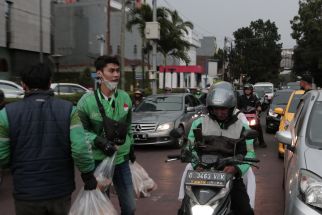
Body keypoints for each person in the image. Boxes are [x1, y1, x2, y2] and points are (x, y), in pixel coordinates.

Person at [0, 64, 97, 215]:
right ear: (50, 82)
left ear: (23, 84)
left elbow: (2, 157)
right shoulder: (69, 110)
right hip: (59, 191)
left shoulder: (6, 114)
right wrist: (87, 174)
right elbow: (80, 149)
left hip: (25, 192)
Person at [179, 87, 255, 215]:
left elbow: (249, 153)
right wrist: (196, 164)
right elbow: (189, 147)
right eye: (217, 108)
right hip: (202, 176)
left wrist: (236, 168)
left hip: (230, 176)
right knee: (184, 210)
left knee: (246, 211)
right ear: (211, 108)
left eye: (224, 109)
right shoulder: (199, 123)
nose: (220, 112)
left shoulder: (242, 127)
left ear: (231, 108)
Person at [77, 55, 136, 215]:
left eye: (118, 71)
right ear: (100, 74)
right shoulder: (86, 101)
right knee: (103, 208)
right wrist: (98, 141)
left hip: (121, 159)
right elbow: (79, 131)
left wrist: (130, 147)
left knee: (130, 206)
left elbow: (128, 125)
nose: (116, 74)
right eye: (111, 71)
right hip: (98, 161)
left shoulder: (125, 98)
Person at [238, 84, 267, 148]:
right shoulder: (241, 98)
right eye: (246, 90)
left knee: (258, 127)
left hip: (252, 116)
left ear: (251, 90)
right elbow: (238, 107)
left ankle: (261, 142)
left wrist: (259, 107)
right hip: (243, 116)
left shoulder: (254, 97)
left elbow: (258, 104)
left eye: (248, 90)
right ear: (244, 90)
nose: (247, 91)